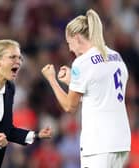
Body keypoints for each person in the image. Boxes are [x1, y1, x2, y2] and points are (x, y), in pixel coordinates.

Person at [42, 9, 131, 168]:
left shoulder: (82, 62)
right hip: (121, 141)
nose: (70, 49)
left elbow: (70, 106)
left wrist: (52, 80)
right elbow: (100, 96)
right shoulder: (116, 57)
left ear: (76, 38)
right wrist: (73, 82)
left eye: (69, 43)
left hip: (98, 143)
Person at [0, 39, 52, 168]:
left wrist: (35, 135)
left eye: (19, 58)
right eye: (12, 57)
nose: (18, 62)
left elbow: (7, 129)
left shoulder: (9, 88)